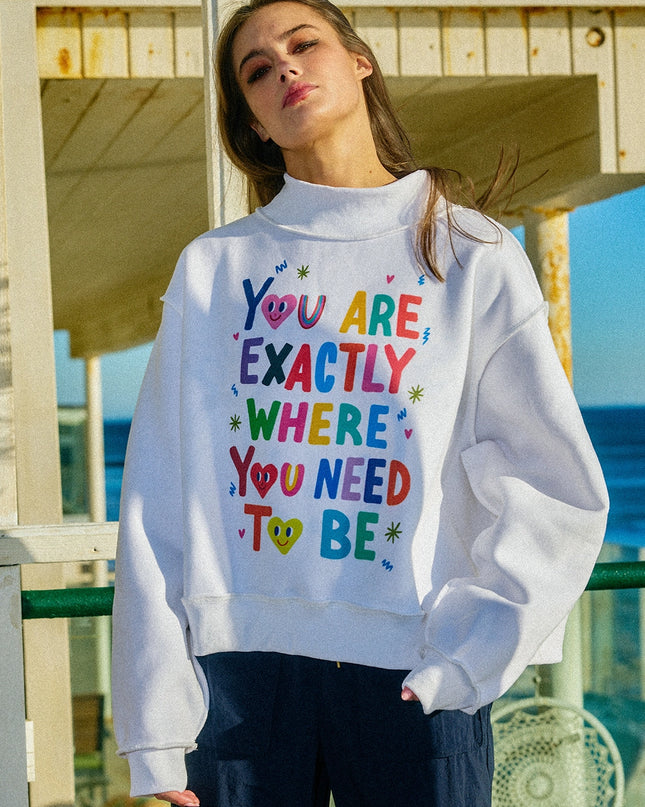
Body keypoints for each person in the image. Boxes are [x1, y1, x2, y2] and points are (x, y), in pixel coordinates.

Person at [111, 1, 609, 805]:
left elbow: (551, 484)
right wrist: (156, 727)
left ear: (359, 61)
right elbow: (158, 497)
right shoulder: (214, 271)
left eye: (301, 45)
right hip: (238, 684)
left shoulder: (467, 251)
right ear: (253, 122)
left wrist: (470, 656)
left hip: (415, 672)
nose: (284, 70)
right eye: (256, 71)